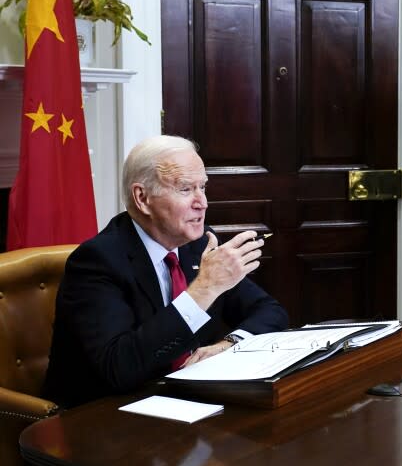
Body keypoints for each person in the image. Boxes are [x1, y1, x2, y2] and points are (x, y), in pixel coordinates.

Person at [42, 135, 289, 409]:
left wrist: (229, 343)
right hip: (105, 418)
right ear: (143, 198)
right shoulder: (97, 261)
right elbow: (119, 370)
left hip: (186, 404)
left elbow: (271, 312)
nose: (202, 202)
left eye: (203, 187)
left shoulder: (198, 243)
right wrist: (203, 290)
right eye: (186, 189)